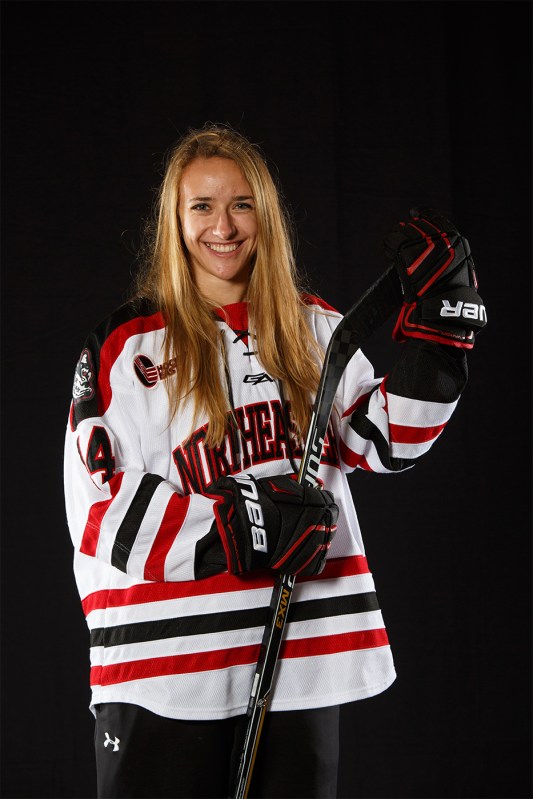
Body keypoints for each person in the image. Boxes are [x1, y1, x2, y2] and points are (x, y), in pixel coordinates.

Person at [63, 123, 486, 799]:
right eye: (201, 205)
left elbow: (384, 441)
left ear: (265, 214)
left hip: (299, 660)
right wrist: (240, 526)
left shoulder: (313, 327)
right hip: (167, 672)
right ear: (174, 219)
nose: (222, 226)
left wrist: (440, 338)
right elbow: (104, 512)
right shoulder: (126, 348)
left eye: (241, 204)